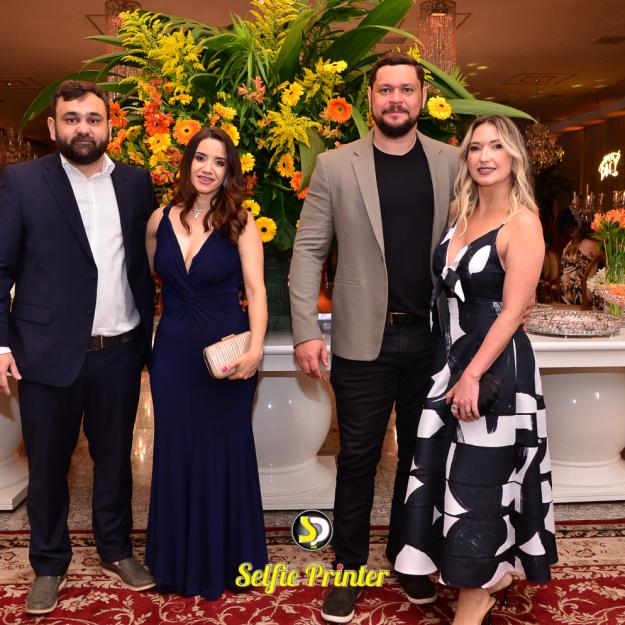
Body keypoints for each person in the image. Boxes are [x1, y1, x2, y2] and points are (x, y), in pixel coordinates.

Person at [289, 52, 459, 623]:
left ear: (422, 98)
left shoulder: (452, 162)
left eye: (406, 89)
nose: (396, 99)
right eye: (385, 89)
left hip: (433, 340)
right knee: (358, 457)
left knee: (420, 456)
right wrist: (306, 331)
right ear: (370, 99)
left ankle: (410, 559)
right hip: (364, 341)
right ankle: (349, 568)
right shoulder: (336, 165)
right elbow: (308, 252)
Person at [0, 81, 157, 615]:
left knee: (114, 461)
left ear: (110, 125)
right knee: (47, 467)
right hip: (44, 354)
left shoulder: (136, 183)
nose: (83, 128)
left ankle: (116, 549)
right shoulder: (23, 182)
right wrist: (1, 344)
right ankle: (48, 563)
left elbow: (146, 262)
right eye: (71, 119)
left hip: (120, 351)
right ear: (53, 127)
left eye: (93, 118)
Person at [394, 116, 558, 625]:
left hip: (495, 370)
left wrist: (471, 375)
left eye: (497, 147)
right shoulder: (461, 215)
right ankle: (488, 575)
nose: (485, 156)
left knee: (480, 482)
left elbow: (513, 311)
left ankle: (475, 594)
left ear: (514, 157)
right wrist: (454, 371)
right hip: (452, 362)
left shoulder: (522, 222)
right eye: (476, 147)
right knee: (452, 476)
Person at [144, 126, 268, 600]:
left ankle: (229, 559)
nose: (208, 168)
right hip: (172, 354)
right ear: (187, 162)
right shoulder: (159, 220)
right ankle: (176, 561)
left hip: (226, 358)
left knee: (223, 449)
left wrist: (256, 349)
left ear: (229, 171)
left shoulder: (242, 222)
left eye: (219, 162)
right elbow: (150, 277)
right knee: (176, 450)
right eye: (201, 157)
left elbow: (256, 291)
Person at [560, 218, 601, 305]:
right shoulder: (590, 244)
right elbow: (609, 257)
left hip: (565, 291)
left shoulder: (572, 242)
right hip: (579, 292)